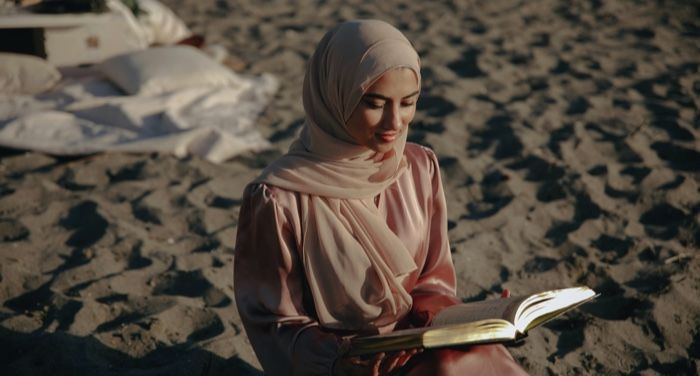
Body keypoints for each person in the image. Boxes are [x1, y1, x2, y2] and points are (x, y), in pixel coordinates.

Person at [233, 19, 528, 375]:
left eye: (408, 103)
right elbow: (273, 321)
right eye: (374, 103)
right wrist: (338, 357)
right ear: (334, 93)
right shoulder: (278, 198)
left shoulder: (419, 167)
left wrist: (471, 321)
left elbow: (432, 280)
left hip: (417, 342)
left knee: (466, 359)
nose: (394, 122)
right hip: (344, 364)